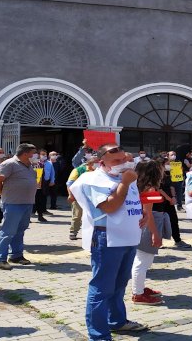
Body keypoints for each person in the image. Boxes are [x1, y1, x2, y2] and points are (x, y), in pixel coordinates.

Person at [69, 143, 148, 340]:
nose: (123, 163)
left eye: (124, 159)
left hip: (128, 236)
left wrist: (143, 213)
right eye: (117, 161)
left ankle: (117, 321)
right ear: (101, 161)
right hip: (107, 238)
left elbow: (131, 201)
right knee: (102, 287)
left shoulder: (125, 176)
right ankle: (98, 334)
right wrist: (125, 183)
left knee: (120, 283)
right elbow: (110, 207)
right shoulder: (93, 179)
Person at [0, 143, 39, 270]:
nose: (36, 156)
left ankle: (16, 256)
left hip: (27, 203)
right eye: (33, 153)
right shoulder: (9, 164)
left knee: (20, 230)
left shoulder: (30, 166)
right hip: (12, 203)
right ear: (25, 154)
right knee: (8, 231)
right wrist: (6, 194)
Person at [130, 160, 164, 304]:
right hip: (145, 227)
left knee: (140, 260)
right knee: (143, 262)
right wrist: (155, 234)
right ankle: (138, 294)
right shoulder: (150, 189)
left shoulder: (136, 186)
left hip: (135, 225)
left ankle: (140, 289)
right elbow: (147, 213)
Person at [158, 158, 191, 249]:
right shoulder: (155, 176)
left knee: (174, 220)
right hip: (158, 201)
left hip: (169, 201)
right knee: (159, 222)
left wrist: (173, 197)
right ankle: (158, 241)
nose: (169, 165)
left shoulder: (167, 175)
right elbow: (159, 189)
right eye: (167, 164)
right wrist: (169, 198)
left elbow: (171, 186)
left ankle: (177, 240)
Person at [66, 155, 99, 240]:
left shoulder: (99, 171)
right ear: (91, 163)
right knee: (77, 215)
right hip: (79, 197)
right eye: (97, 163)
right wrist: (71, 195)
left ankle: (91, 233)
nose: (99, 165)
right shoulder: (79, 170)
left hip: (93, 197)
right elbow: (70, 183)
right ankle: (73, 232)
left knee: (92, 216)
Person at [39, 149, 57, 219]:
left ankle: (44, 210)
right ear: (39, 155)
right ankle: (34, 210)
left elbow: (53, 173)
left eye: (45, 155)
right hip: (38, 182)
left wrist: (52, 180)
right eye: (42, 154)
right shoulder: (36, 162)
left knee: (44, 196)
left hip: (46, 182)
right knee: (37, 197)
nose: (44, 156)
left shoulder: (49, 163)